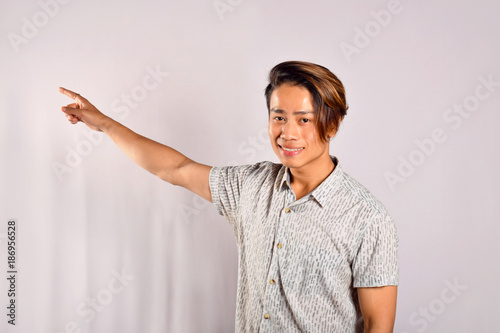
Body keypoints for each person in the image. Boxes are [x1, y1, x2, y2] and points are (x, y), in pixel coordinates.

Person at [59, 60, 399, 332]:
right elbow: (174, 168)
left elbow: (377, 326)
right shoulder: (251, 186)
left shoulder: (368, 219)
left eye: (304, 119)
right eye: (278, 117)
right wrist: (103, 123)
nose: (288, 133)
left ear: (333, 124)